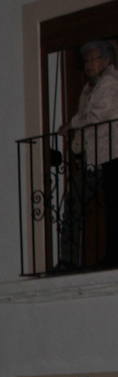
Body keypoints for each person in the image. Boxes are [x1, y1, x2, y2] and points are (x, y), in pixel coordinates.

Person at [63, 40, 118, 268]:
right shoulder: (88, 89)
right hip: (95, 158)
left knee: (114, 206)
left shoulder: (111, 83)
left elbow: (98, 115)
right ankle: (68, 260)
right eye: (86, 60)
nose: (88, 64)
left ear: (106, 61)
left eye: (93, 59)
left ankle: (113, 257)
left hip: (113, 155)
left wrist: (71, 125)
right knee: (74, 199)